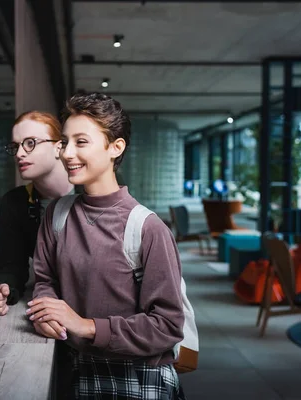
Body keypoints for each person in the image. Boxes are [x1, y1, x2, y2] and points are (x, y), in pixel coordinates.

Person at [26, 93, 186, 399]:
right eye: (65, 142)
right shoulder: (57, 214)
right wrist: (48, 314)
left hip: (136, 377)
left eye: (81, 142)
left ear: (116, 147)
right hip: (73, 368)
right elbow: (45, 281)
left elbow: (167, 326)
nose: (67, 153)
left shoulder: (147, 228)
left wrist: (87, 327)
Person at [0, 111, 75, 340]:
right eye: (16, 147)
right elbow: (13, 266)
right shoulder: (14, 202)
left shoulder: (94, 189)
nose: (20, 154)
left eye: (30, 143)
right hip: (45, 307)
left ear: (58, 147)